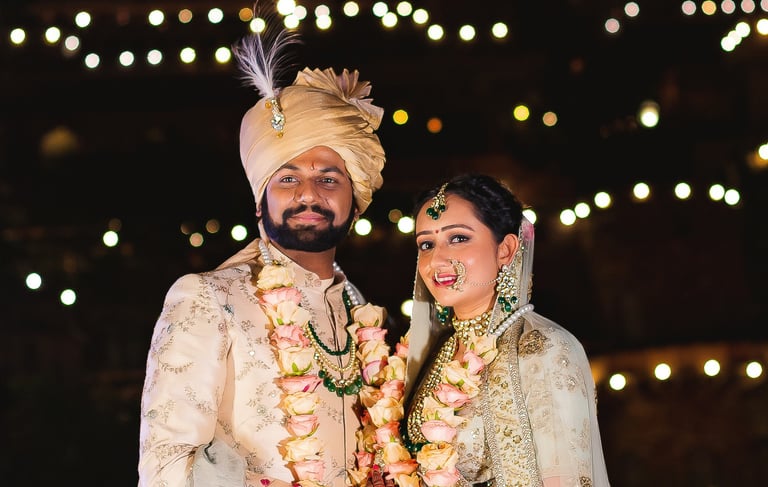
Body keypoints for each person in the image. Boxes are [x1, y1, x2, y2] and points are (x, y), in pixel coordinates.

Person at [138, 27, 399, 487]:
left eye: (328, 179)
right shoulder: (209, 297)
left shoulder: (362, 314)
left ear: (355, 203)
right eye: (287, 179)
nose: (308, 194)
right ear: (261, 201)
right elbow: (166, 467)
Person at [402, 174, 611, 487]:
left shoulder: (544, 347)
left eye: (458, 238)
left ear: (506, 249)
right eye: (426, 244)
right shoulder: (437, 353)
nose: (437, 259)